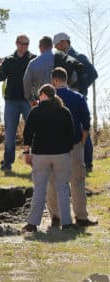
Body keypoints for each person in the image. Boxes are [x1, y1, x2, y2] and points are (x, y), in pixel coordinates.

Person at [46, 67, 98, 227]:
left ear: (53, 80)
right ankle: (81, 216)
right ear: (66, 79)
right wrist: (81, 143)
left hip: (53, 147)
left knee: (53, 181)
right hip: (74, 144)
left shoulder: (47, 99)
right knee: (77, 181)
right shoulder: (78, 97)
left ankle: (56, 216)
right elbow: (86, 123)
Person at [22, 84, 75, 232]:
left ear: (43, 94)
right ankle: (67, 222)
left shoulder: (36, 112)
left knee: (40, 189)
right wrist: (66, 149)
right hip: (62, 154)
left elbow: (27, 134)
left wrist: (26, 153)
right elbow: (71, 135)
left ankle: (32, 224)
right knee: (63, 189)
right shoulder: (64, 111)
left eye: (39, 95)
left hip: (41, 155)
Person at [53, 32, 98, 172]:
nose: (56, 47)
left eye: (57, 44)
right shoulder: (60, 59)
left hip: (78, 97)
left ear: (64, 42)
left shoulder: (79, 57)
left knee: (82, 128)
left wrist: (81, 87)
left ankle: (88, 163)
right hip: (65, 96)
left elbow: (93, 74)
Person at [0, 34, 36, 172]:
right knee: (10, 133)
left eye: (27, 44)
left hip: (28, 101)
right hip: (11, 101)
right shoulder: (8, 60)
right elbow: (0, 78)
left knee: (34, 132)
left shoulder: (33, 59)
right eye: (23, 43)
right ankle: (7, 164)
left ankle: (36, 163)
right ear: (17, 43)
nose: (25, 46)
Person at [23, 36, 54, 104]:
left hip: (41, 99)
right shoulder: (60, 60)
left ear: (40, 47)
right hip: (58, 100)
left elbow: (26, 82)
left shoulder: (33, 63)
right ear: (52, 46)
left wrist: (31, 99)